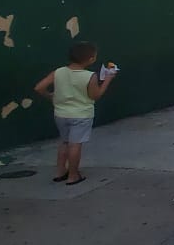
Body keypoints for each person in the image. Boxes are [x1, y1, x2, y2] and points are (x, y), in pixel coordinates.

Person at [33, 41, 116, 185]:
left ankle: (60, 172)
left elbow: (39, 88)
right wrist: (108, 80)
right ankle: (73, 175)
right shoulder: (90, 76)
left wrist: (51, 96)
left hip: (61, 114)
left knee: (64, 142)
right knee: (75, 145)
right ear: (91, 59)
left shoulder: (59, 71)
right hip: (81, 115)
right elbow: (95, 96)